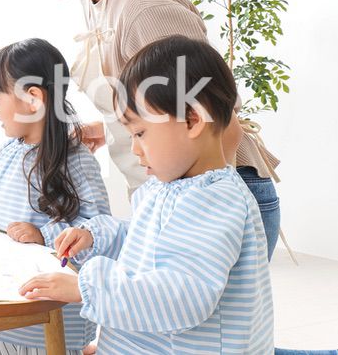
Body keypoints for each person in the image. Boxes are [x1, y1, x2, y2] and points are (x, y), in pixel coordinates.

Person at [0, 0, 338, 355]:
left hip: (215, 186)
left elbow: (214, 116)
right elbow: (163, 107)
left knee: (215, 339)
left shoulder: (143, 7)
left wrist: (91, 287)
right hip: (176, 186)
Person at [20, 35, 274, 354]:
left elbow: (183, 298)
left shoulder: (215, 201)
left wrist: (87, 289)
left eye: (140, 133)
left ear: (192, 120)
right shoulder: (165, 186)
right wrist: (94, 236)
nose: (135, 149)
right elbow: (144, 240)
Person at [0, 38, 110, 355]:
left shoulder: (77, 160)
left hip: (48, 322)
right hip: (2, 309)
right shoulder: (6, 153)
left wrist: (43, 235)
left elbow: (96, 232)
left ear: (33, 99)